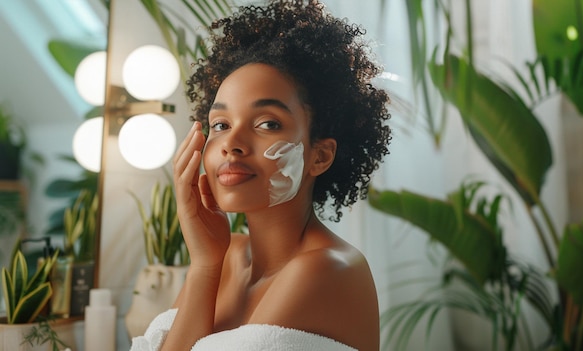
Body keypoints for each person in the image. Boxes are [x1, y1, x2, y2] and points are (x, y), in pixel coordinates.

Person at [130, 0, 391, 350]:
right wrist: (205, 265)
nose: (231, 144)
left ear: (320, 155)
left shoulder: (326, 269)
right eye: (220, 125)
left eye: (267, 123)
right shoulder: (224, 255)